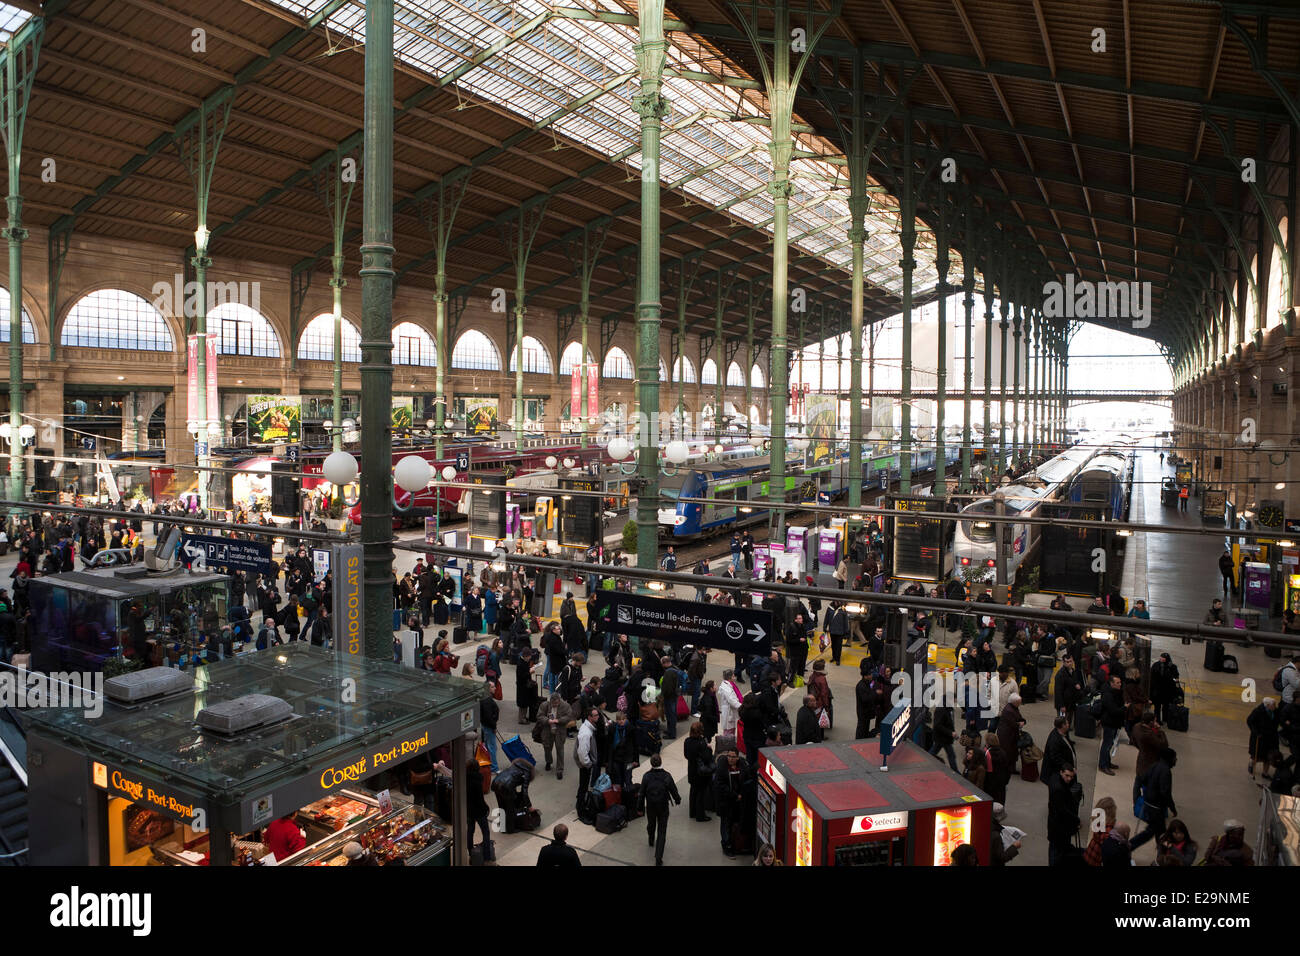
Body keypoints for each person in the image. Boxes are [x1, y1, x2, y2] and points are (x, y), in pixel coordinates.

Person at [1131, 747, 1177, 852]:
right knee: (1158, 834)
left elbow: (1143, 779)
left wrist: (1150, 791)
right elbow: (1166, 793)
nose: (1176, 761)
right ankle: (1163, 856)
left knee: (1154, 832)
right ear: (1169, 758)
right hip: (1157, 809)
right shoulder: (1166, 771)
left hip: (1148, 805)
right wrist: (1172, 808)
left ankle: (1161, 853)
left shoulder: (1154, 766)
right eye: (1175, 758)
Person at [640, 752, 682, 866]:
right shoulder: (667, 776)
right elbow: (673, 790)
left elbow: (641, 793)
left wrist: (639, 808)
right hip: (663, 807)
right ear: (661, 762)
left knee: (651, 823)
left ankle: (651, 837)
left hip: (651, 807)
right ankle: (658, 857)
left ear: (651, 763)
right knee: (662, 831)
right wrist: (677, 799)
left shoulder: (646, 776)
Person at [1047, 764, 1083, 866]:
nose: (1069, 779)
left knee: (1056, 849)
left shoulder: (1055, 778)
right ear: (1061, 772)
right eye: (1067, 775)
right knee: (1056, 851)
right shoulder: (1058, 789)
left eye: (1071, 776)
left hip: (1055, 826)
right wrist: (1077, 820)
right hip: (1059, 828)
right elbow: (1063, 810)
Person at [535, 691, 572, 778]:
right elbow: (539, 716)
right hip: (547, 730)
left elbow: (569, 716)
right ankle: (548, 761)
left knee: (560, 750)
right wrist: (548, 721)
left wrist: (559, 720)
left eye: (556, 703)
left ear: (559, 701)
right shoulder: (544, 705)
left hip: (559, 731)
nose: (554, 705)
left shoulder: (566, 706)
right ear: (550, 701)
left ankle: (560, 770)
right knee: (547, 747)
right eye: (553, 703)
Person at [682, 722, 713, 822]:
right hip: (701, 773)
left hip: (692, 770)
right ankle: (700, 815)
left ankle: (693, 812)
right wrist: (709, 749)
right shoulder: (701, 743)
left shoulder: (687, 741)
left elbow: (686, 755)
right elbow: (707, 758)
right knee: (701, 794)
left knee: (693, 791)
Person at [465, 758, 494, 863]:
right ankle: (487, 857)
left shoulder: (464, 779)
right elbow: (480, 799)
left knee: (470, 831)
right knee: (485, 832)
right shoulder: (478, 779)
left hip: (468, 810)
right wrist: (486, 808)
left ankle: (471, 854)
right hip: (479, 811)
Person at [1098, 673, 1125, 775]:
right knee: (1107, 744)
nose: (1120, 684)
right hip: (1109, 723)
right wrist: (1124, 708)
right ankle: (1103, 765)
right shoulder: (1108, 695)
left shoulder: (1116, 693)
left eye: (1120, 682)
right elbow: (1113, 710)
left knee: (1109, 744)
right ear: (1112, 684)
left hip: (1114, 723)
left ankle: (1107, 762)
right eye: (1117, 683)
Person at [574, 708, 600, 815]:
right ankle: (581, 809)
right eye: (595, 715)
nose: (598, 717)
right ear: (589, 717)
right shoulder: (586, 733)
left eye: (597, 715)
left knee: (583, 785)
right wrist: (588, 764)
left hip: (586, 763)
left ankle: (580, 804)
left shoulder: (588, 728)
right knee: (583, 786)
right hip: (585, 765)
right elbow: (582, 752)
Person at [606, 708, 639, 790]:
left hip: (628, 759)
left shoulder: (631, 729)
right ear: (616, 720)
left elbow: (635, 745)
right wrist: (607, 761)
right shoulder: (612, 729)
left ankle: (629, 798)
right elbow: (609, 745)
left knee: (628, 779)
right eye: (619, 719)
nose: (621, 721)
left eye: (623, 719)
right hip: (616, 759)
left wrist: (636, 760)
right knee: (618, 780)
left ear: (626, 719)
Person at [1247, 698, 1279, 778]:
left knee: (1268, 757)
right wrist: (1256, 732)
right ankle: (1251, 765)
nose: (1275, 706)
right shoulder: (1258, 711)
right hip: (1260, 738)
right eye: (1273, 705)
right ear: (1267, 705)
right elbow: (1250, 721)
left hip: (1272, 738)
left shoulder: (1275, 711)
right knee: (1256, 756)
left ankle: (1265, 773)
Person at [1133, 710, 1168, 781]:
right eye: (1155, 721)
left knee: (1138, 780)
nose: (1156, 723)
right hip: (1150, 762)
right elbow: (1164, 745)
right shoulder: (1149, 735)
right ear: (1151, 722)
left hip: (1141, 758)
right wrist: (1160, 731)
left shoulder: (1136, 727)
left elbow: (1134, 741)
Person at [1084, 796, 1118, 866]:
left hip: (1090, 854)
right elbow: (1107, 850)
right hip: (1096, 859)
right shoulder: (1108, 830)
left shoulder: (1098, 822)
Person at [1149, 652, 1179, 724]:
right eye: (1161, 657)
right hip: (1158, 690)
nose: (1162, 659)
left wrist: (1173, 680)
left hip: (1167, 690)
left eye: (1163, 658)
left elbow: (1176, 678)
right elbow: (1152, 677)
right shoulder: (1156, 665)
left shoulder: (1172, 667)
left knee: (1166, 706)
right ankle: (1158, 720)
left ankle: (1165, 718)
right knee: (1157, 707)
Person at [929, 699, 957, 770]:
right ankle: (955, 771)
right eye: (954, 700)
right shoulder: (941, 710)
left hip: (944, 737)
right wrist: (950, 733)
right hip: (942, 737)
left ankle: (926, 760)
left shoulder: (948, 709)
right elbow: (937, 725)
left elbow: (949, 723)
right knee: (951, 755)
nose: (955, 702)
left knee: (934, 751)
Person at [480, 685, 500, 774]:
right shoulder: (487, 700)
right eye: (492, 687)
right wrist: (494, 726)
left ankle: (489, 765)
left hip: (486, 725)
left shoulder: (485, 698)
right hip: (489, 726)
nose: (495, 688)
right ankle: (494, 768)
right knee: (492, 747)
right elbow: (488, 716)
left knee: (489, 746)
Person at [855, 660, 879, 739]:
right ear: (865, 676)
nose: (871, 676)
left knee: (865, 728)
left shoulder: (867, 683)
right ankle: (859, 741)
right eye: (870, 675)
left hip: (866, 712)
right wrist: (875, 693)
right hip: (863, 712)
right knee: (862, 729)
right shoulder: (861, 686)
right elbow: (865, 699)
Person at [807, 659, 833, 729]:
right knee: (820, 719)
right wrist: (826, 707)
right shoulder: (822, 679)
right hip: (820, 703)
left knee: (814, 717)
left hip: (812, 701)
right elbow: (824, 694)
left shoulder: (811, 676)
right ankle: (820, 735)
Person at [717, 669, 742, 738]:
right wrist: (742, 707)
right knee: (728, 733)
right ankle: (727, 746)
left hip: (730, 712)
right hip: (729, 713)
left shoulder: (730, 684)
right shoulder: (726, 688)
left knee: (732, 730)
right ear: (730, 677)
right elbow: (732, 701)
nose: (735, 677)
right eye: (733, 676)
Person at [660, 656, 680, 739]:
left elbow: (667, 687)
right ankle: (670, 730)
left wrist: (663, 696)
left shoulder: (668, 672)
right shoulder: (675, 668)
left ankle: (671, 734)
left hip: (670, 697)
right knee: (672, 714)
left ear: (665, 663)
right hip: (674, 695)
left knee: (670, 715)